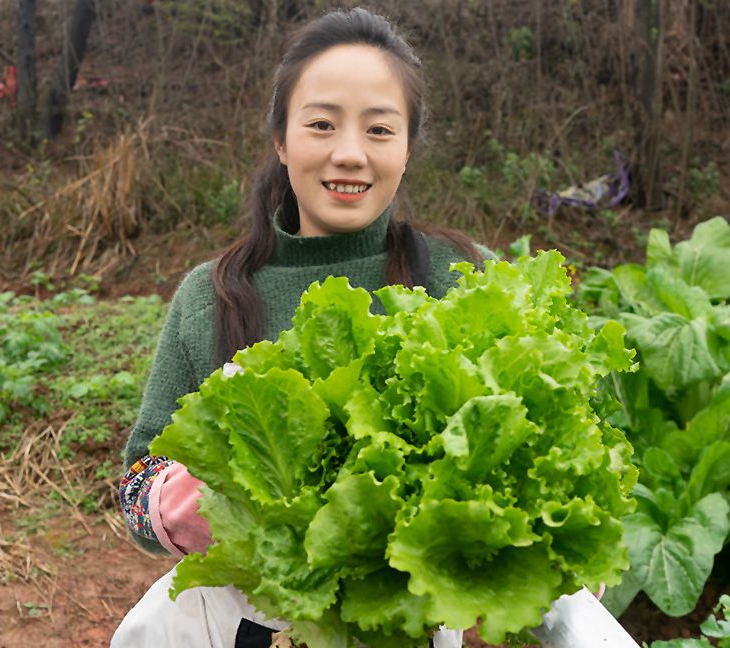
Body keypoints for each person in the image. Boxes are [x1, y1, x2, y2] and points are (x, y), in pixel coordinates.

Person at [112, 7, 489, 647]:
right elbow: (135, 480)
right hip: (248, 627)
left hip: (406, 630)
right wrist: (167, 505)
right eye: (321, 124)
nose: (349, 153)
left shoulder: (463, 280)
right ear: (283, 141)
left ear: (407, 147)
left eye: (379, 129)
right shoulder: (215, 295)